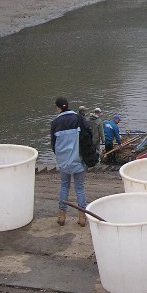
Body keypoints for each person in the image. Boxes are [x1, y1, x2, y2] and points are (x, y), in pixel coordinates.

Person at [50, 96, 88, 227]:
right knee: (80, 188)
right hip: (78, 160)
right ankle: (82, 217)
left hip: (63, 162)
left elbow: (53, 145)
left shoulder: (55, 123)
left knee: (64, 186)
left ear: (58, 108)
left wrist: (61, 157)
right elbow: (87, 137)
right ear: (68, 105)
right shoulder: (79, 118)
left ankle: (61, 216)